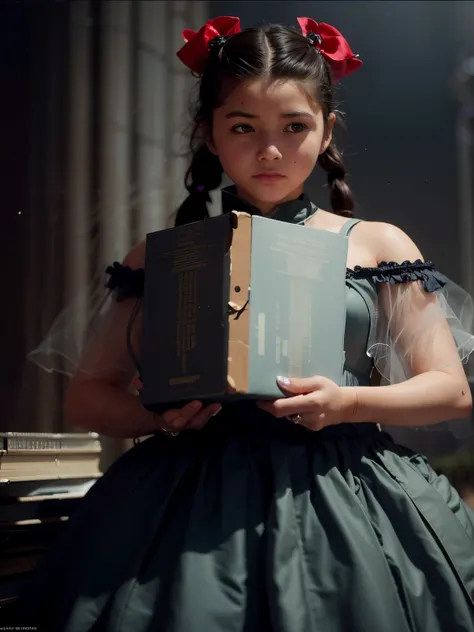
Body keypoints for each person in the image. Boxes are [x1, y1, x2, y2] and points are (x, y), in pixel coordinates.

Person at [17, 15, 474, 632]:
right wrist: (159, 418)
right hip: (187, 491)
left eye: (294, 126)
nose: (270, 151)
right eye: (242, 127)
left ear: (326, 129)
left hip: (345, 489)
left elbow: (450, 389)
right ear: (209, 133)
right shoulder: (164, 255)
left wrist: (347, 402)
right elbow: (88, 396)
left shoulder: (376, 244)